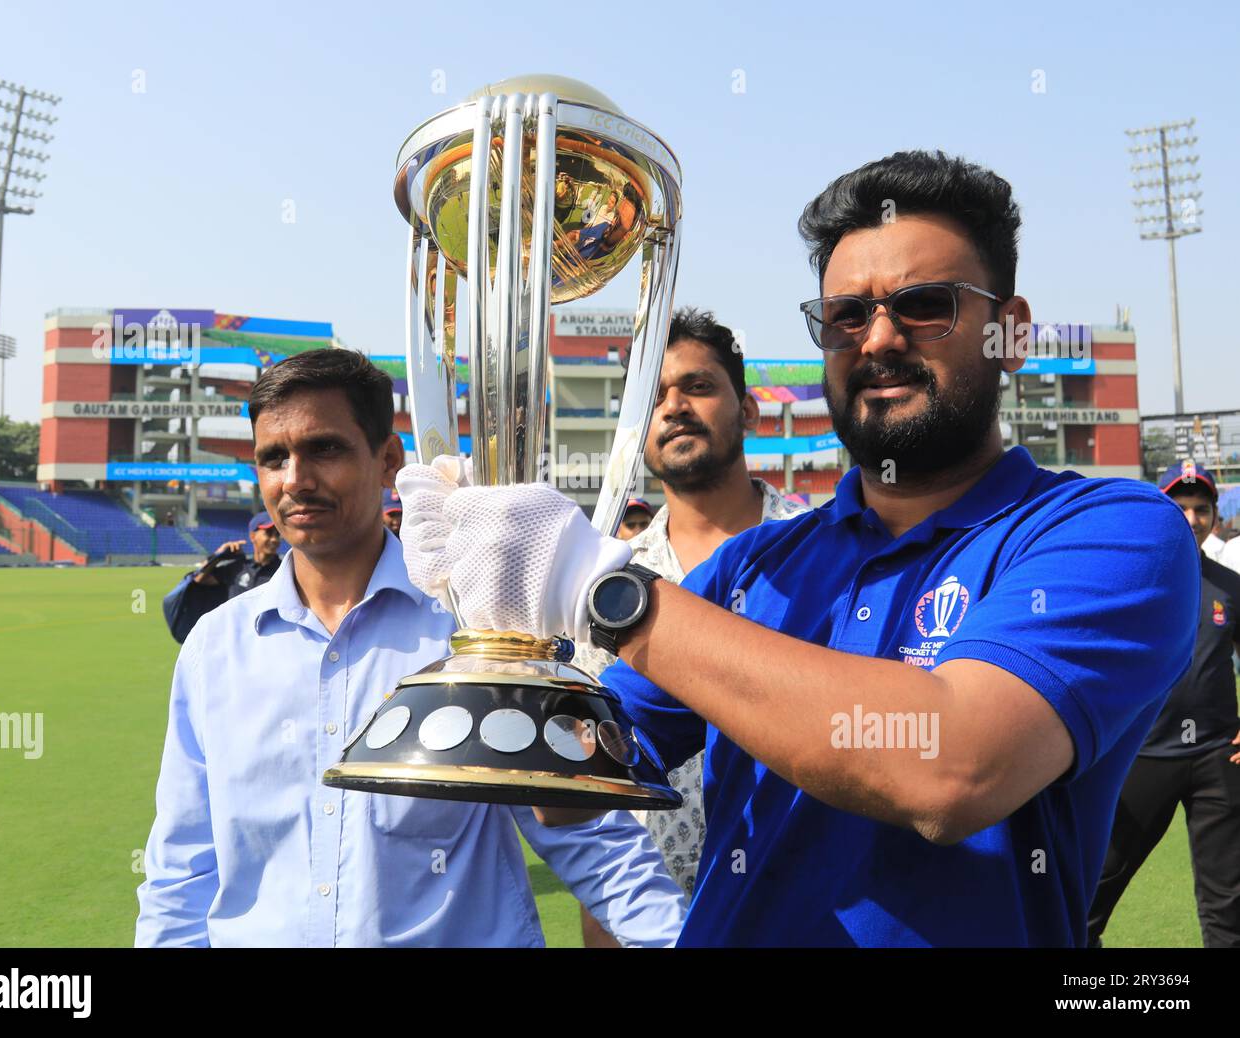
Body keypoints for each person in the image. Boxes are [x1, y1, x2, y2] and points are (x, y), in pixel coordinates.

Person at [397, 150, 1200, 947]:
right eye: (847, 316)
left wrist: (594, 584)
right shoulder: (752, 568)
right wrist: (508, 631)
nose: (879, 339)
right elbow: (573, 788)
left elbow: (952, 767)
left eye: (924, 306)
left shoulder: (1106, 528)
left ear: (1010, 333)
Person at [136, 348, 685, 947]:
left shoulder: (478, 630)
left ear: (387, 460)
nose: (295, 479)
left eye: (324, 448)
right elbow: (182, 868)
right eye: (274, 458)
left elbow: (590, 837)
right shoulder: (215, 649)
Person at [577, 306, 807, 949]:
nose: (674, 406)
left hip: (810, 911)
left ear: (751, 412)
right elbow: (601, 794)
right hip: (653, 922)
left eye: (698, 387)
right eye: (653, 397)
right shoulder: (602, 582)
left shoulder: (827, 550)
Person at [1087, 462, 1240, 948]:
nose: (1192, 517)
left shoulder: (1230, 586)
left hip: (1218, 756)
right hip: (1144, 754)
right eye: (1181, 506)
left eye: (1202, 509)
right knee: (1096, 888)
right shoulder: (1128, 580)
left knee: (1228, 900)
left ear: (1215, 518)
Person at [160, 511, 283, 644]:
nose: (274, 539)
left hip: (269, 640)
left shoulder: (283, 570)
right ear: (252, 536)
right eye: (269, 533)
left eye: (277, 534)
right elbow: (199, 579)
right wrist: (219, 556)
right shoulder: (237, 568)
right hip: (235, 640)